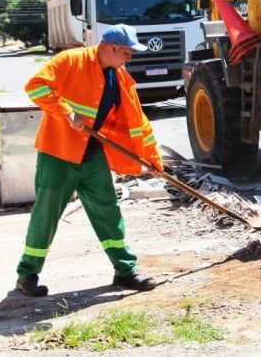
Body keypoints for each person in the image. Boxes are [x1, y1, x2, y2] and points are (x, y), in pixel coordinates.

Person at [14, 23, 164, 297]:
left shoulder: (120, 78)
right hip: (59, 154)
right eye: (128, 53)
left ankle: (125, 271)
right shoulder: (71, 60)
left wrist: (153, 159)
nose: (130, 58)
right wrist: (65, 112)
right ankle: (27, 275)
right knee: (46, 215)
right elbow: (34, 87)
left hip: (93, 156)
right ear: (113, 48)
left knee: (108, 212)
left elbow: (138, 123)